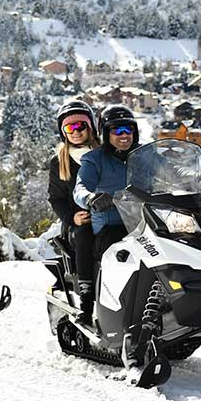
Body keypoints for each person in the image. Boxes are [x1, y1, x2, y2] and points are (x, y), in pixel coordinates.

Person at [73, 104, 141, 322]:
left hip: (145, 223)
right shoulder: (94, 159)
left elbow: (167, 172)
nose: (124, 135)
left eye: (128, 130)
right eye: (117, 130)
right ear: (105, 133)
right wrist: (91, 198)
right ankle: (94, 302)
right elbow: (80, 188)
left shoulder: (143, 156)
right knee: (120, 251)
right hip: (111, 225)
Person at [47, 100, 99, 321]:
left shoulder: (104, 154)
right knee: (84, 236)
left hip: (113, 217)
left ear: (90, 127)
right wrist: (72, 217)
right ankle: (86, 298)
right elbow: (56, 198)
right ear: (63, 132)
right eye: (70, 128)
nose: (76, 132)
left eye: (81, 126)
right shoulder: (60, 162)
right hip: (80, 223)